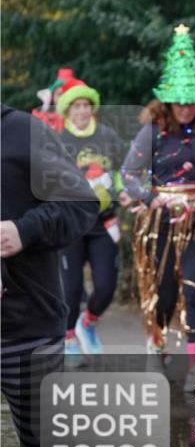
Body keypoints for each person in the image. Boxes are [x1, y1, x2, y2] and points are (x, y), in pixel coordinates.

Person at [2, 102, 100, 447]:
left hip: (24, 322)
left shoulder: (22, 132)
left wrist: (23, 230)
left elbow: (81, 204)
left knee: (46, 441)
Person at [121, 24, 195, 393]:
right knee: (165, 292)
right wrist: (151, 198)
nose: (184, 107)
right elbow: (128, 174)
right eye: (178, 101)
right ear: (167, 101)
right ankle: (158, 346)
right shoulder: (153, 131)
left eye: (190, 101)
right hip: (162, 222)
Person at [55, 77, 125, 365]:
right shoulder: (57, 141)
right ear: (67, 111)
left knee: (107, 286)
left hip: (103, 224)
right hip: (71, 226)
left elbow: (123, 171)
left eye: (86, 106)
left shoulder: (108, 137)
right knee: (70, 289)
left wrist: (123, 192)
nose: (82, 111)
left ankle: (88, 322)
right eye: (76, 107)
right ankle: (68, 337)